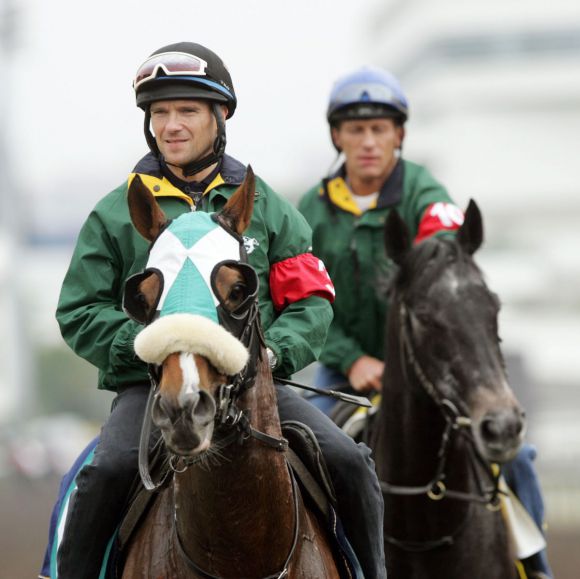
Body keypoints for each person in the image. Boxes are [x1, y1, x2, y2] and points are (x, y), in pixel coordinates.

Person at [45, 44, 385, 579]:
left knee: (349, 460)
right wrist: (150, 351)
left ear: (219, 116)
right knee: (102, 472)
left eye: (187, 111)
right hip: (152, 386)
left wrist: (271, 354)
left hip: (260, 385)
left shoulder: (268, 208)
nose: (170, 126)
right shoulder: (116, 212)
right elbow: (80, 309)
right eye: (159, 113)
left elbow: (310, 300)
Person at [298, 65, 553, 579]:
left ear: (400, 135)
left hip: (426, 371)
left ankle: (537, 566)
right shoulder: (312, 211)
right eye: (356, 130)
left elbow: (445, 260)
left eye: (380, 129)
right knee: (300, 455)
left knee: (518, 457)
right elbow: (307, 302)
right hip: (344, 372)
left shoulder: (424, 192)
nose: (369, 142)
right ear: (337, 137)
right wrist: (353, 359)